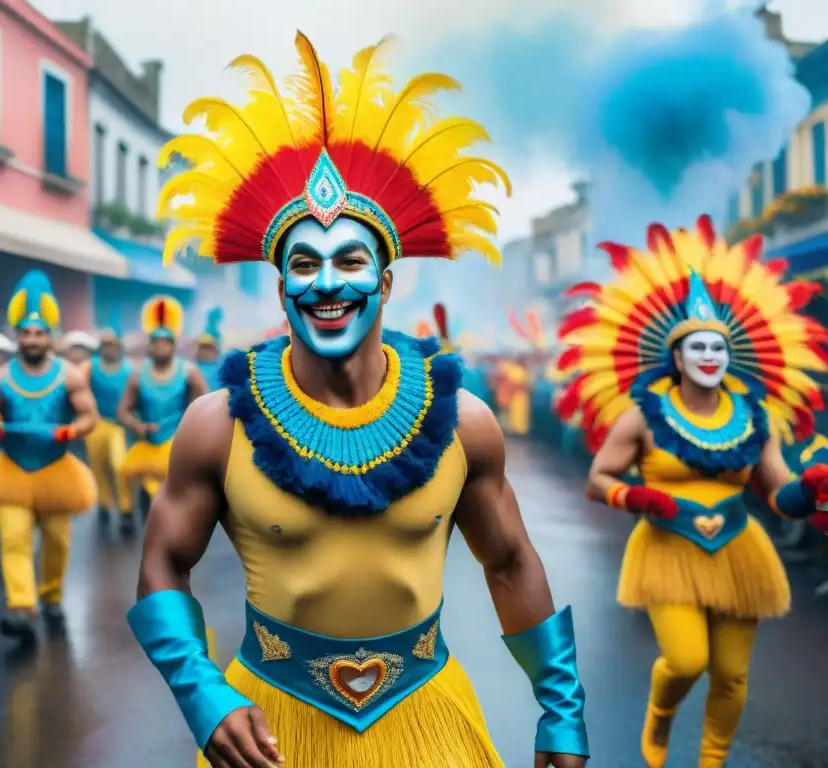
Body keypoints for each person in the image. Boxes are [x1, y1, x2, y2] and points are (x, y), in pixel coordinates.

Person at [127, 33, 589, 768]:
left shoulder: (464, 424)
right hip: (271, 729)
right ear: (282, 286)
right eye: (304, 263)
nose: (327, 282)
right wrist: (202, 693)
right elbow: (162, 561)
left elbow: (509, 561)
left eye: (350, 259)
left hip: (426, 719)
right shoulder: (217, 425)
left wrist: (562, 709)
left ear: (386, 280)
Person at [556, 216, 828, 767]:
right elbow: (598, 479)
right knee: (685, 660)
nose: (709, 355)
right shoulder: (643, 415)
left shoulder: (755, 417)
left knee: (732, 674)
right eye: (697, 346)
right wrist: (636, 498)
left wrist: (808, 490)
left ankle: (711, 760)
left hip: (739, 551)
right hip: (666, 551)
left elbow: (777, 493)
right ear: (677, 358)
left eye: (718, 347)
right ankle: (660, 715)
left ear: (730, 357)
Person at [0, 270, 99, 643]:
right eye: (25, 333)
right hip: (10, 471)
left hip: (56, 471)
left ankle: (52, 596)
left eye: (39, 333)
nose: (31, 339)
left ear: (51, 336)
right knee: (13, 540)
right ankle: (22, 607)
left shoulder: (70, 375)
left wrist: (69, 431)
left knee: (57, 543)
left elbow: (89, 417)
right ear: (17, 336)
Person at [118, 295, 208, 502]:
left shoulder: (189, 372)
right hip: (147, 445)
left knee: (171, 496)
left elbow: (207, 406)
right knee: (131, 480)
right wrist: (138, 425)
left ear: (173, 345)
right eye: (155, 342)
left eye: (165, 342)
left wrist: (191, 431)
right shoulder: (138, 374)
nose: (160, 347)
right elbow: (123, 411)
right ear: (149, 345)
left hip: (176, 444)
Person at [84, 328, 135, 532]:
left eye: (114, 345)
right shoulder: (91, 367)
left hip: (119, 426)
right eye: (106, 345)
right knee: (98, 467)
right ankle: (104, 505)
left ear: (120, 347)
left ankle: (126, 509)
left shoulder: (129, 370)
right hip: (97, 424)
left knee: (119, 465)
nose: (110, 349)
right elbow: (80, 388)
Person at [194, 307, 224, 391]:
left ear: (215, 351)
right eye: (203, 348)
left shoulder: (220, 370)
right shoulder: (190, 370)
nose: (205, 352)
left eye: (209, 349)